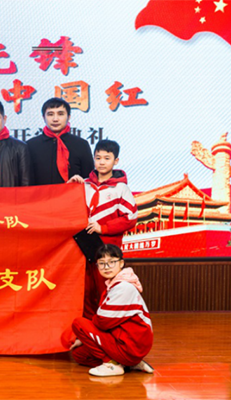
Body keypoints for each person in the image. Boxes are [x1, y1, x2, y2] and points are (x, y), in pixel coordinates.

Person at [68, 139, 138, 318]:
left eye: (107, 158)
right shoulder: (84, 184)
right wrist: (70, 187)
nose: (101, 162)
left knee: (105, 287)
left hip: (107, 247)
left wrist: (103, 228)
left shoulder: (121, 188)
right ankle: (89, 326)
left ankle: (105, 323)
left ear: (116, 161)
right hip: (84, 246)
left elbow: (130, 218)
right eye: (98, 158)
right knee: (85, 288)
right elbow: (69, 208)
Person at [70, 244, 154, 377]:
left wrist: (86, 332)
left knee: (79, 323)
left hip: (130, 346)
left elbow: (103, 321)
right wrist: (86, 337)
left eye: (111, 262)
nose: (106, 267)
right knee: (79, 355)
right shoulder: (114, 284)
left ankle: (112, 364)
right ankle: (128, 364)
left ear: (121, 263)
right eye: (101, 263)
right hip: (123, 340)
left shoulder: (123, 287)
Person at [27, 97, 93, 185]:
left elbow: (89, 179)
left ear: (68, 117)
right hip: (39, 194)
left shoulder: (81, 145)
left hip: (72, 194)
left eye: (60, 114)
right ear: (43, 117)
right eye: (50, 114)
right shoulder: (30, 145)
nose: (55, 119)